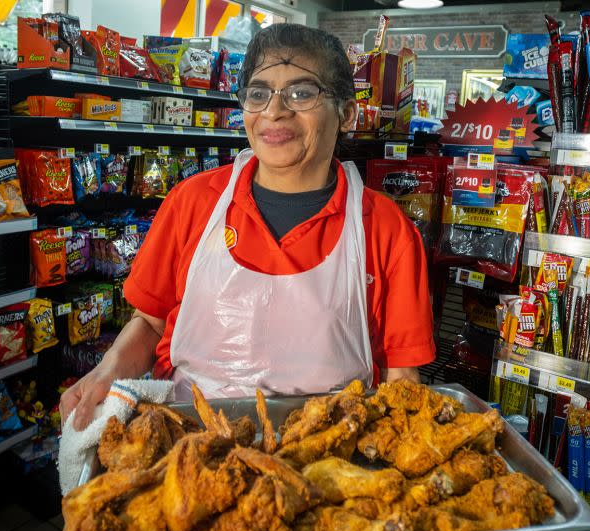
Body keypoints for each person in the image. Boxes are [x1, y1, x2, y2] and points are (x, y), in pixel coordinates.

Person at [61, 24, 435, 430]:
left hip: (328, 459)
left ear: (346, 114)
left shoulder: (385, 229)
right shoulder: (194, 202)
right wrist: (108, 369)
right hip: (192, 444)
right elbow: (151, 322)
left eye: (301, 92)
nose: (274, 111)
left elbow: (402, 376)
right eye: (259, 94)